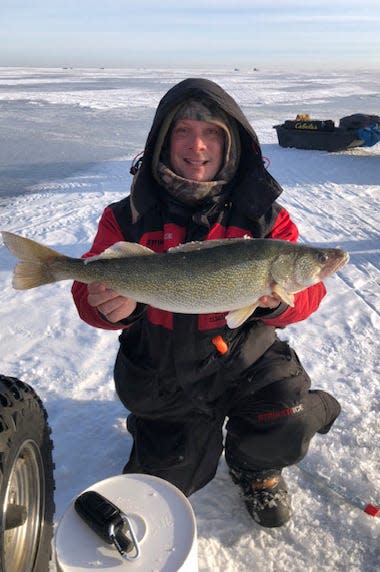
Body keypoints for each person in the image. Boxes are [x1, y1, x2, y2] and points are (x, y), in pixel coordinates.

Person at [71, 78, 341, 528]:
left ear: (231, 142)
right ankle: (163, 436)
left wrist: (275, 304)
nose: (197, 145)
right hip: (163, 368)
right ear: (162, 139)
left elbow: (308, 295)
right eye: (183, 130)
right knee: (166, 485)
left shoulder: (266, 219)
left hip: (244, 359)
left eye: (212, 131)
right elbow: (89, 287)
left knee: (287, 414)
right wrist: (103, 306)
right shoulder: (125, 216)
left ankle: (255, 466)